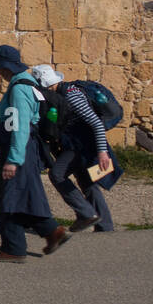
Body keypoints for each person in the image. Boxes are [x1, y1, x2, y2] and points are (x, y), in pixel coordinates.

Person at [0, 45, 71, 262]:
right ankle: (53, 232)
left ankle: (14, 249)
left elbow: (19, 124)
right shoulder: (26, 83)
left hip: (18, 149)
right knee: (22, 195)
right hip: (23, 149)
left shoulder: (19, 88)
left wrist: (14, 159)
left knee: (9, 198)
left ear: (5, 67)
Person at [29, 64, 118, 233]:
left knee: (57, 174)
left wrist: (102, 152)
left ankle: (86, 214)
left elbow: (96, 124)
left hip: (83, 146)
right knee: (87, 181)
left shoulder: (71, 95)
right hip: (79, 145)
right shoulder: (61, 93)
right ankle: (105, 227)